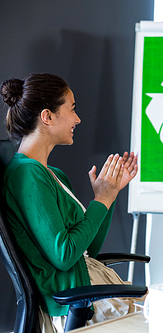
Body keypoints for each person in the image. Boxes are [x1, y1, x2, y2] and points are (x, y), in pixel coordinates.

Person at [0, 73, 141, 332]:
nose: (77, 119)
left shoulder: (53, 175)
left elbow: (89, 249)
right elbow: (64, 255)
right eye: (72, 109)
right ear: (47, 116)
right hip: (76, 306)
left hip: (89, 293)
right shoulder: (27, 175)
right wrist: (103, 199)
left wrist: (108, 197)